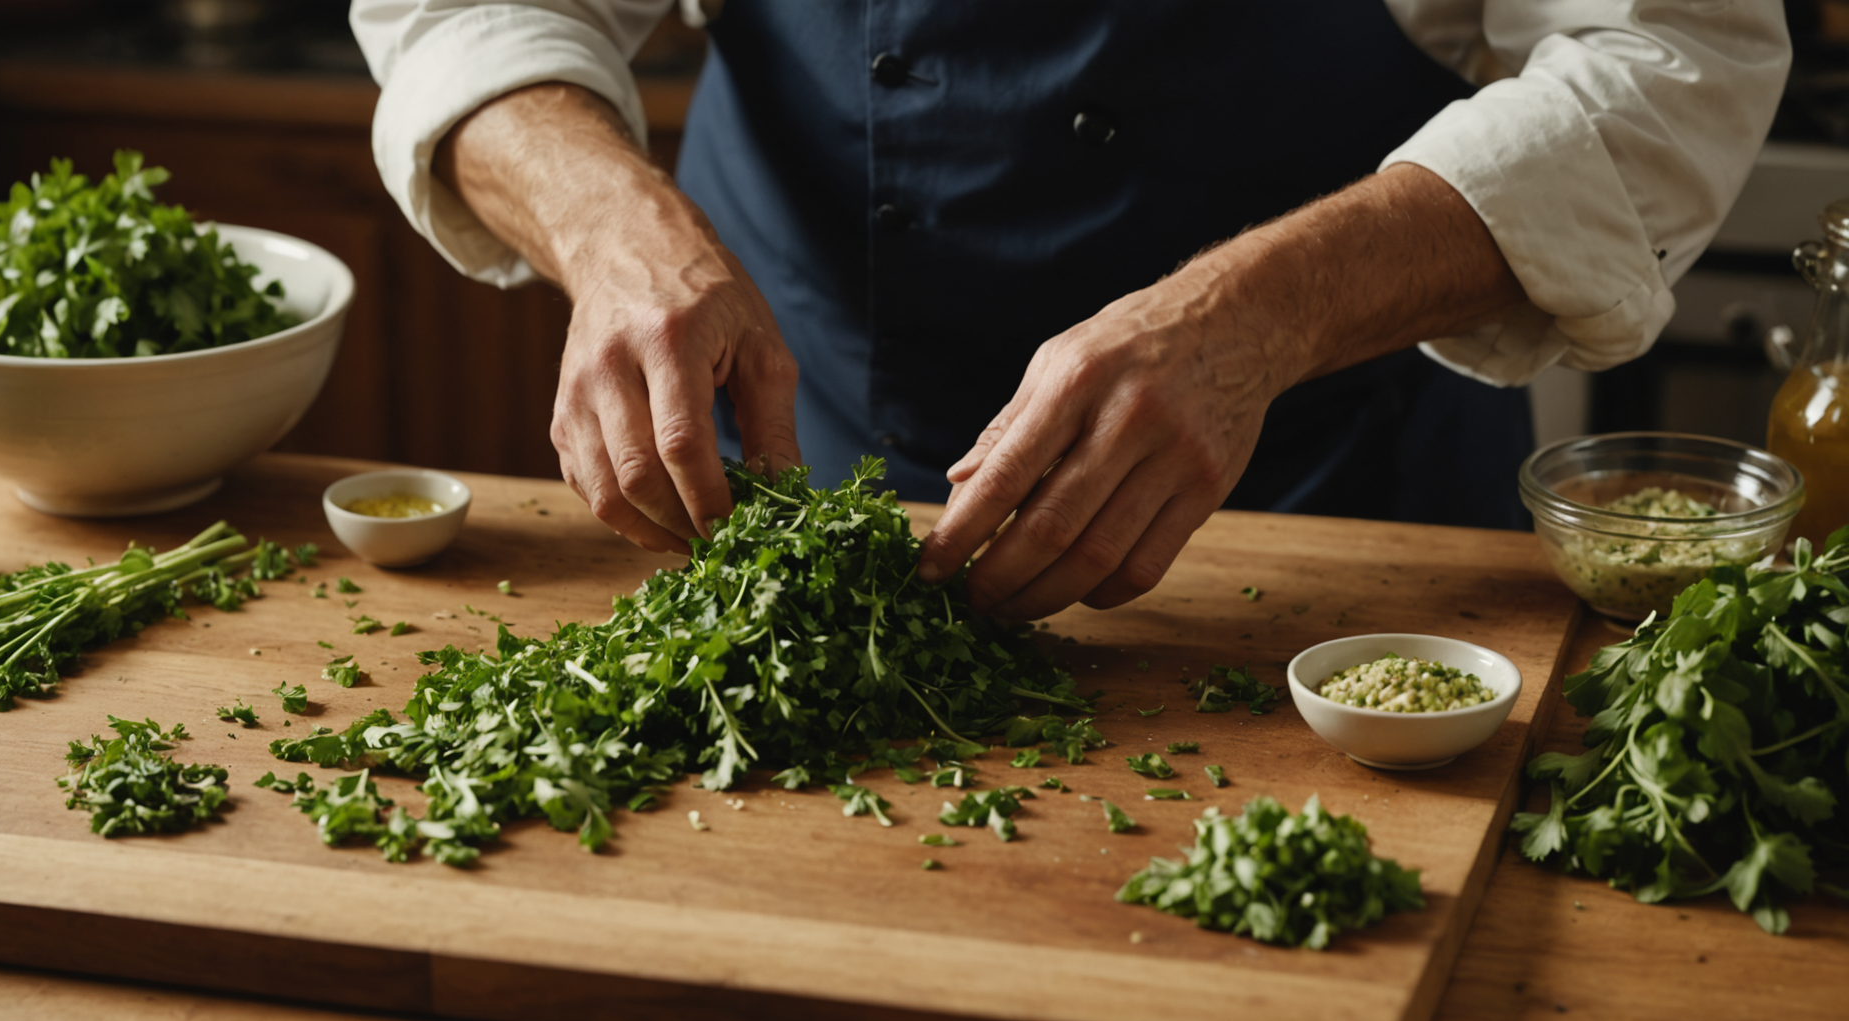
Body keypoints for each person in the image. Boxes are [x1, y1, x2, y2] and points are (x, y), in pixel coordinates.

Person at [351, 1, 1789, 619]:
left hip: (1334, 517)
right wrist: (609, 224)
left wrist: (1257, 313)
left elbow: (1674, 58)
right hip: (808, 455)